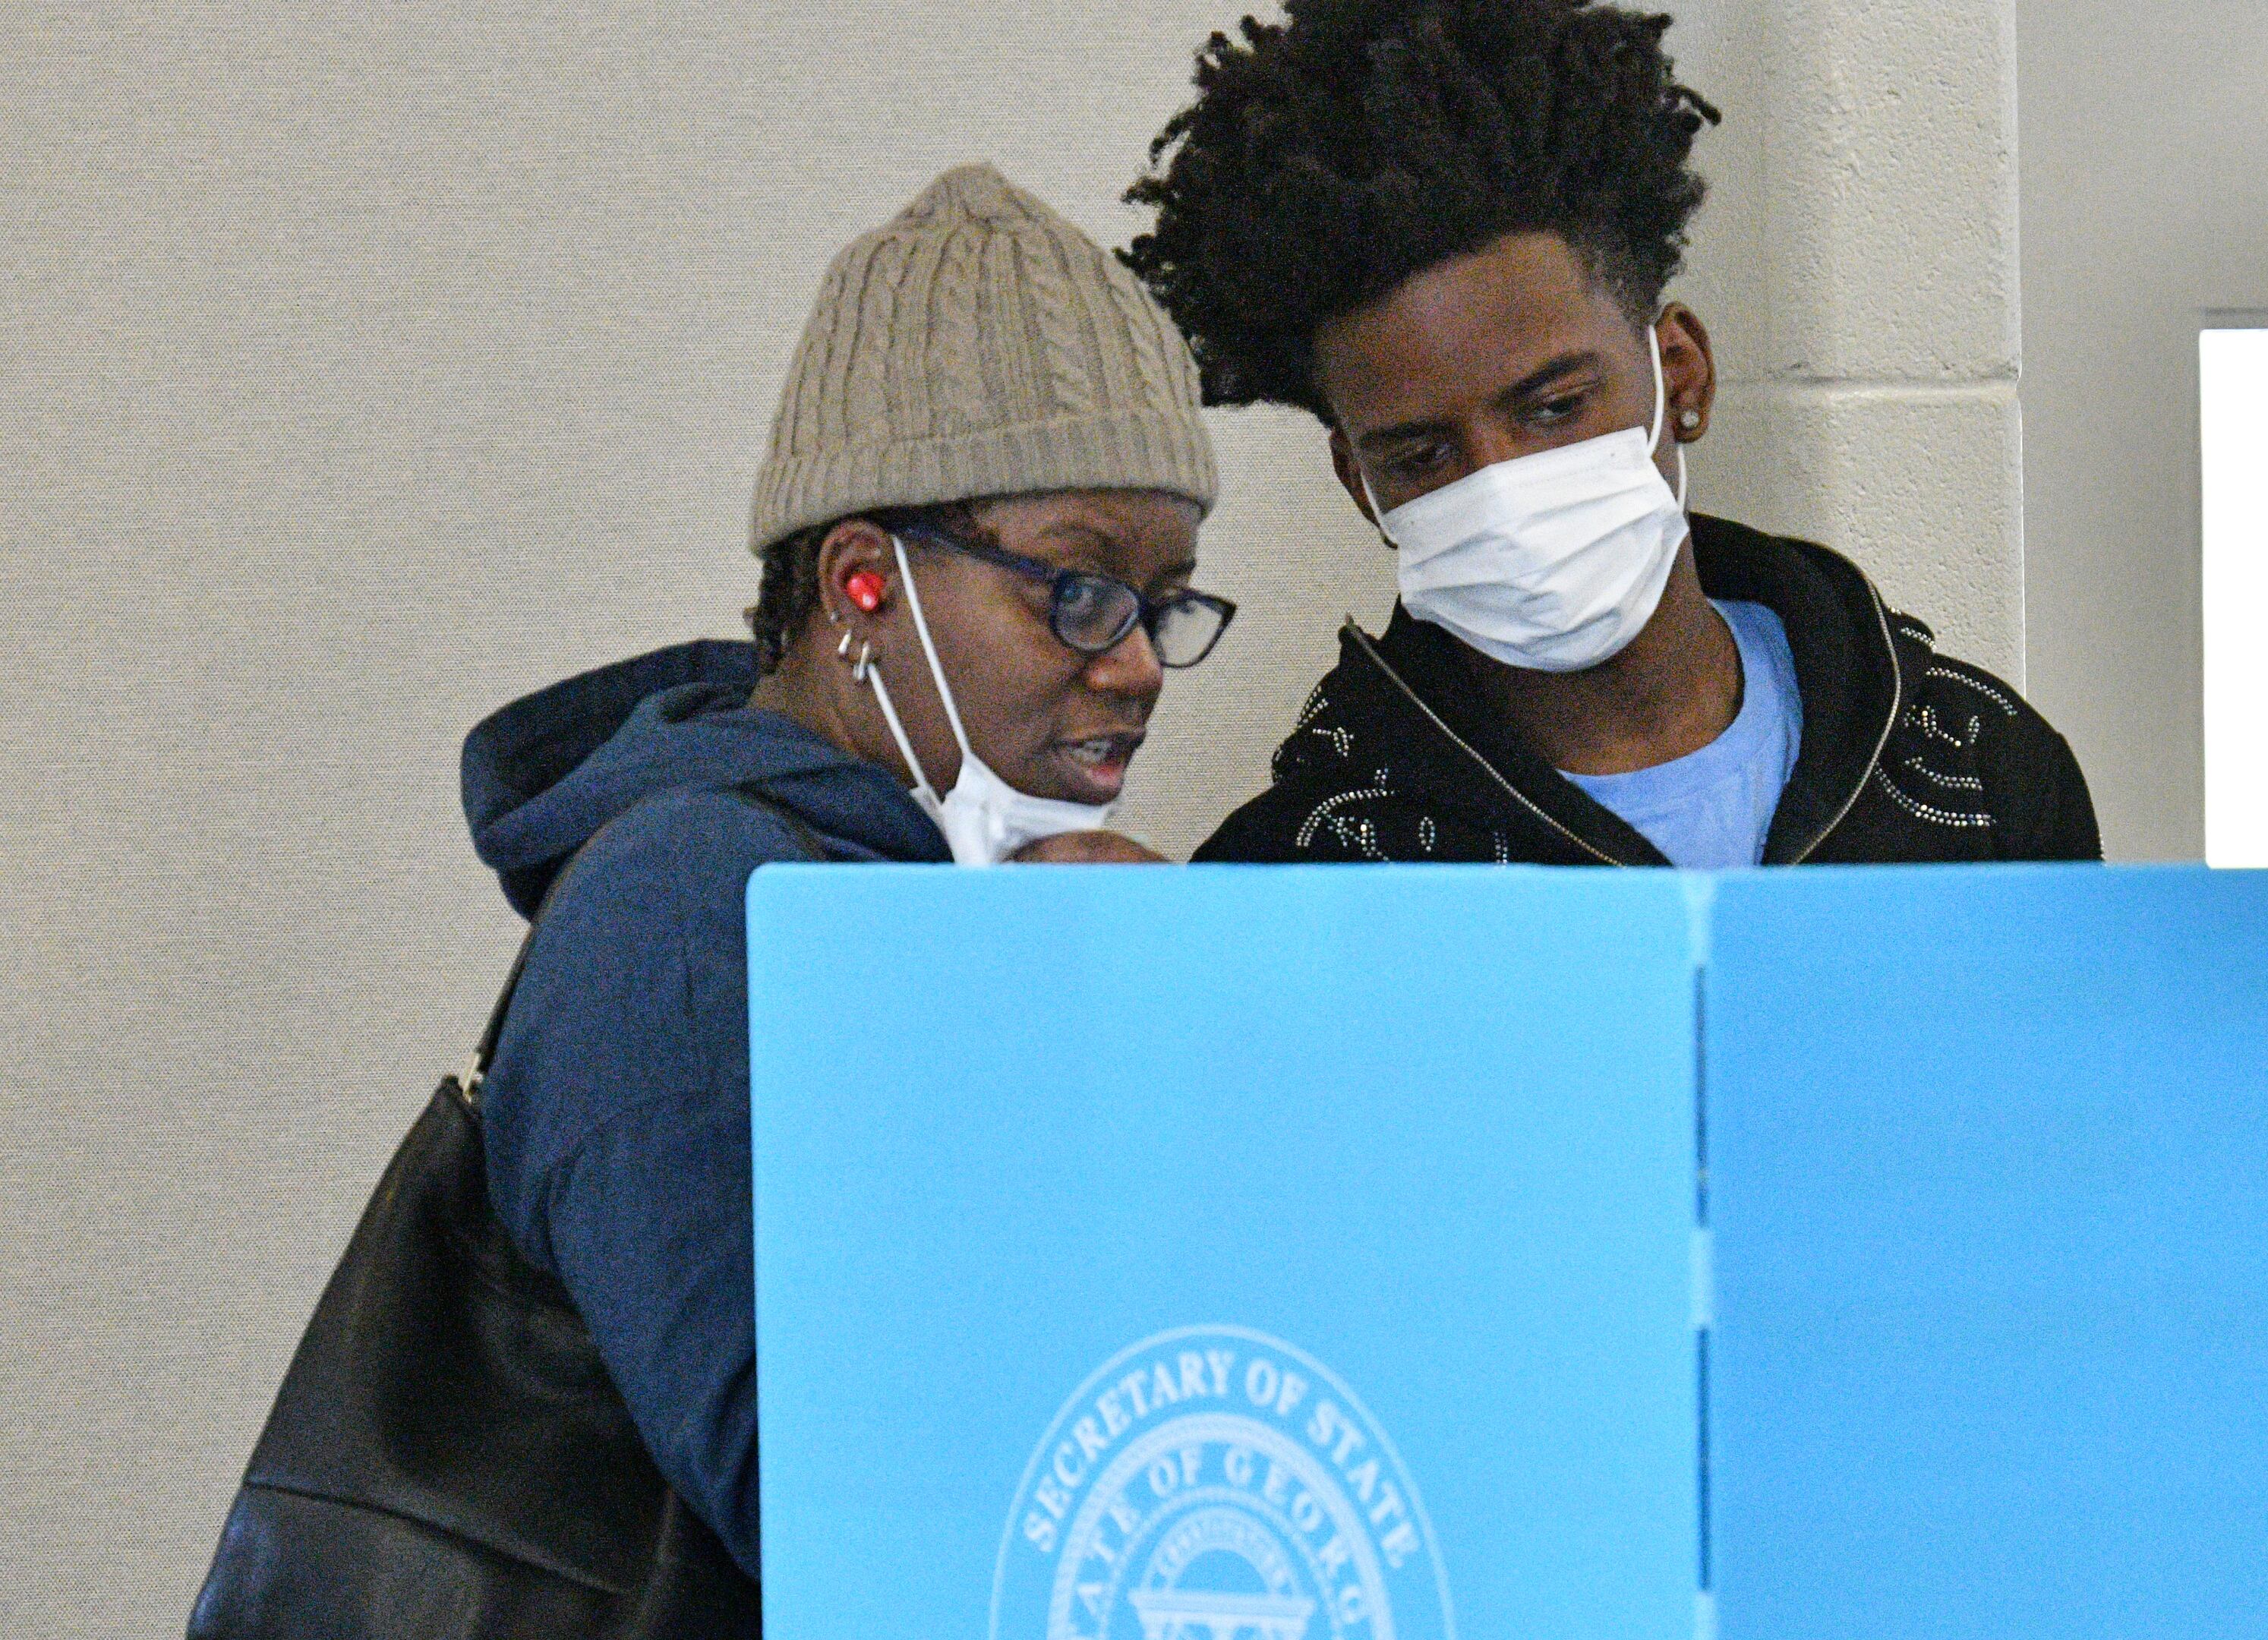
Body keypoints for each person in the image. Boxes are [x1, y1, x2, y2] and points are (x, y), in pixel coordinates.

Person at [460, 164, 1228, 1588]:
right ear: (861, 579)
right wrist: (1099, 1063)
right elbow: (834, 1512)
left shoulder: (926, 894)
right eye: (1077, 585)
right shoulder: (686, 906)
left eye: (1165, 600)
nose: (1131, 661)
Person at [1125, 0, 2099, 867]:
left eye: (1555, 408)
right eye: (1422, 457)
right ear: (1360, 483)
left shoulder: (1979, 780)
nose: (1500, 485)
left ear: (1680, 375)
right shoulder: (1301, 873)